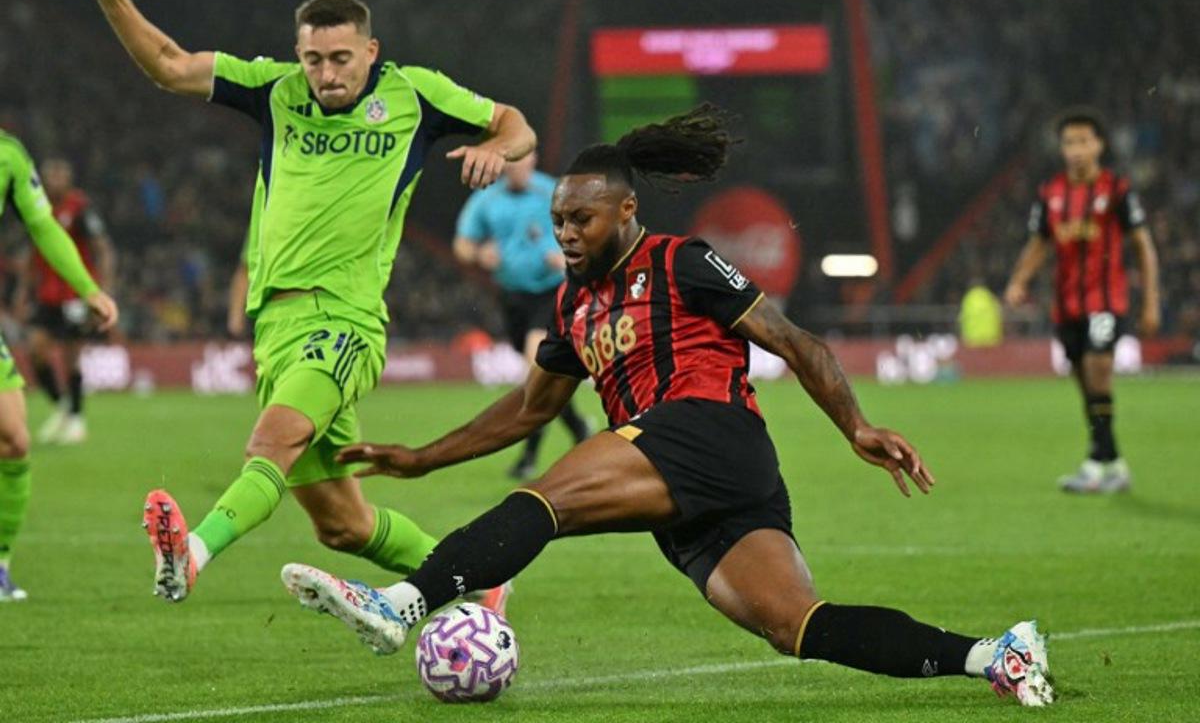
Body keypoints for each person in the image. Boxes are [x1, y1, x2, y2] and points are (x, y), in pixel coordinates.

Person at [282, 106, 1055, 707]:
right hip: (691, 489)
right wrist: (421, 457)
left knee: (547, 498)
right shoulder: (572, 305)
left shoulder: (681, 262)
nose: (566, 235)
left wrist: (857, 425)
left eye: (579, 220)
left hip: (708, 433)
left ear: (623, 212)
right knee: (798, 626)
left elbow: (796, 342)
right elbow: (525, 410)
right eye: (557, 223)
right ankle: (997, 654)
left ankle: (402, 602)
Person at [70, 0, 536, 605]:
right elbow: (170, 67)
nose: (326, 73)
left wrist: (497, 146)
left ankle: (191, 553)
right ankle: (481, 582)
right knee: (343, 526)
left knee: (272, 439)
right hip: (277, 325)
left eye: (341, 58)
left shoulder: (415, 96)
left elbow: (516, 125)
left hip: (344, 321)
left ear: (371, 52)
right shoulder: (275, 90)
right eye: (313, 59)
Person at [1004, 108, 1160, 494]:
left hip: (1106, 299)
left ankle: (1095, 462)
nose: (1075, 149)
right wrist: (1018, 281)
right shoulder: (1051, 193)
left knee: (1098, 368)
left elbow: (1143, 244)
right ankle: (1113, 463)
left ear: (1099, 145)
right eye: (1069, 142)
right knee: (1086, 384)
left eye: (1083, 141)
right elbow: (1039, 243)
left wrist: (1151, 301)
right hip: (1066, 303)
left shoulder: (1117, 190)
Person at [0, 131, 119, 600]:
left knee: (13, 439)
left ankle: (0, 564)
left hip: (62, 299)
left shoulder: (8, 155)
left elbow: (44, 227)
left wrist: (89, 287)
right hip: (46, 301)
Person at [454, 151, 591, 478]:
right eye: (513, 163)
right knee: (539, 375)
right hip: (512, 298)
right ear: (503, 165)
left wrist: (569, 256)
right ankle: (578, 427)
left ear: (533, 162)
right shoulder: (486, 200)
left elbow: (589, 233)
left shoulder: (553, 192)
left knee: (534, 372)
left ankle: (528, 458)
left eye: (525, 162)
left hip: (550, 292)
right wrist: (478, 253)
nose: (519, 169)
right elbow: (462, 244)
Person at [15, 157, 116, 445]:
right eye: (51, 174)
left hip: (75, 294)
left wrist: (102, 290)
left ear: (69, 178)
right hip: (47, 294)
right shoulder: (36, 206)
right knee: (36, 350)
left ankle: (76, 418)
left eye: (61, 174)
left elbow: (103, 248)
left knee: (72, 357)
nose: (55, 179)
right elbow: (33, 253)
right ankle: (62, 405)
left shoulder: (80, 209)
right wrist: (23, 291)